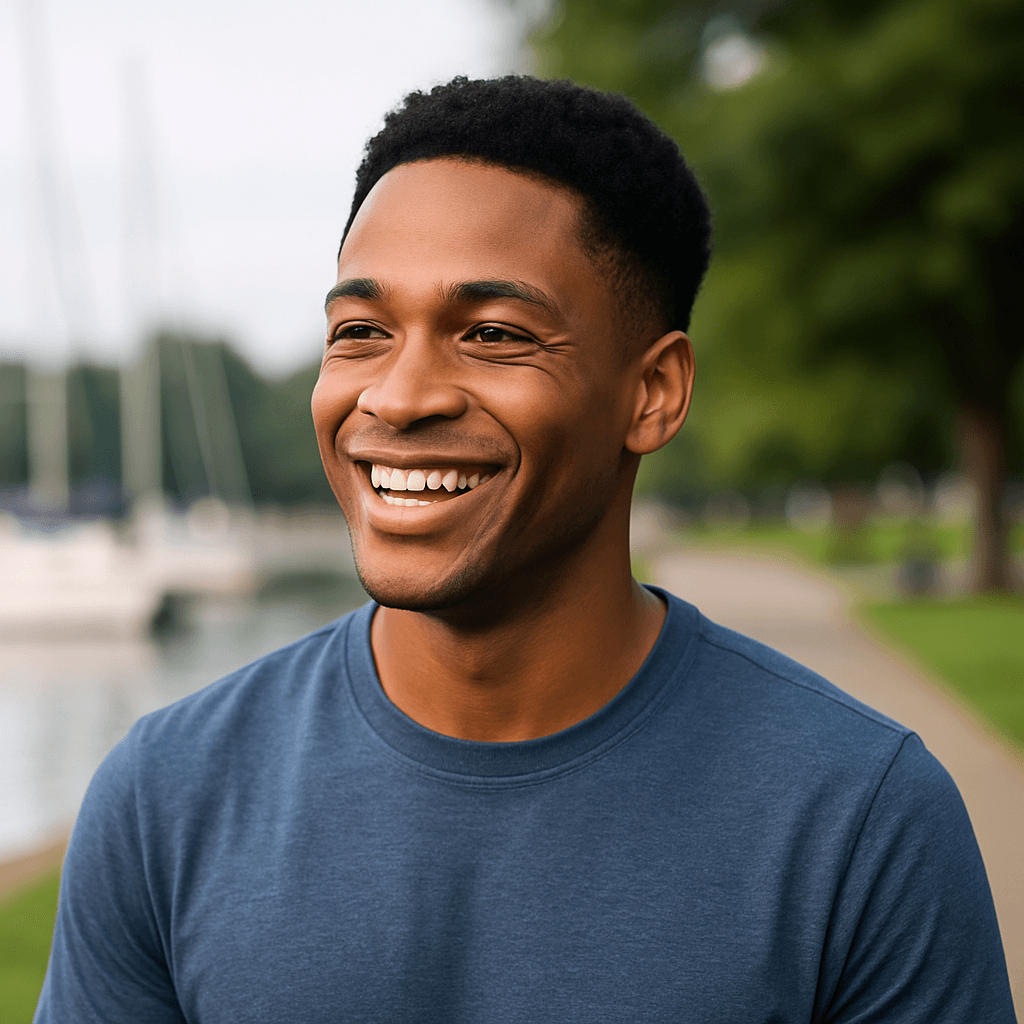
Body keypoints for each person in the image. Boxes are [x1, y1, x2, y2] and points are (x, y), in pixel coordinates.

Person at [36, 76, 1015, 1023]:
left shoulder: (860, 816)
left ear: (654, 393)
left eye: (494, 333)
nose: (399, 395)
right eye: (361, 330)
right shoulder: (167, 794)